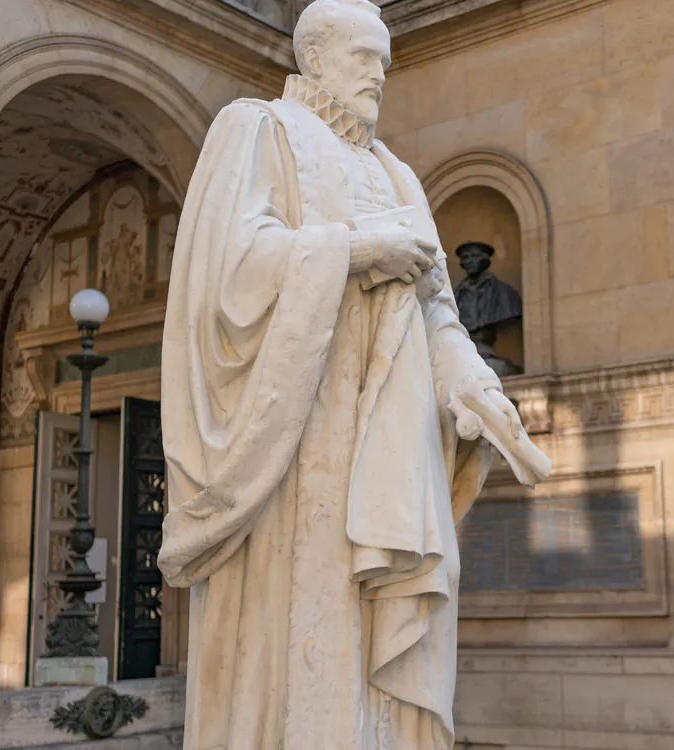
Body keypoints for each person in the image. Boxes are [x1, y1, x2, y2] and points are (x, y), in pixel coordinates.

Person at [156, 2, 546, 748]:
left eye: (387, 61)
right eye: (365, 56)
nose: (380, 74)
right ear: (315, 56)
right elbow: (226, 270)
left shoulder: (395, 171)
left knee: (380, 643)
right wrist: (357, 249)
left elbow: (435, 305)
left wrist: (469, 380)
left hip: (388, 456)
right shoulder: (258, 128)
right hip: (294, 452)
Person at [453, 241, 522, 376]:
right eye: (466, 257)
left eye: (474, 256)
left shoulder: (503, 293)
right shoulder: (455, 297)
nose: (470, 261)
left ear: (485, 260)